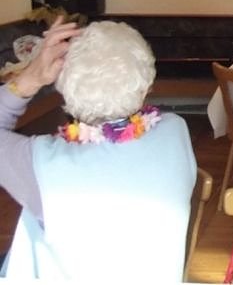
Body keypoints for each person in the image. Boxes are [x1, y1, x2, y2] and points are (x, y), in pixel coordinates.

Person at [0, 18, 196, 281]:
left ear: (64, 91)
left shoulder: (38, 165)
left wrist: (28, 79)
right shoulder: (174, 131)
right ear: (146, 88)